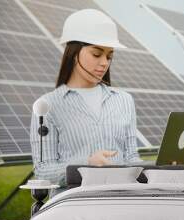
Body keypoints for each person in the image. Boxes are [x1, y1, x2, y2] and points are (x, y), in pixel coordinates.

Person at [30, 9, 142, 186]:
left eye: (109, 56)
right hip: (75, 203)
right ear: (74, 53)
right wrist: (86, 164)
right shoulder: (47, 106)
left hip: (120, 198)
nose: (104, 62)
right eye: (96, 54)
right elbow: (43, 171)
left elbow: (132, 158)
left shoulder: (124, 100)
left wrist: (160, 168)